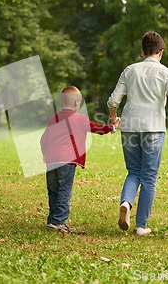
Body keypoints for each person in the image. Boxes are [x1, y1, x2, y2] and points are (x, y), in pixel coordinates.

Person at [107, 31, 168, 236]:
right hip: (153, 128)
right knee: (149, 177)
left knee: (133, 171)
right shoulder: (167, 72)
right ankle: (141, 225)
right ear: (161, 52)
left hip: (129, 126)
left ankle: (126, 202)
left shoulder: (130, 70)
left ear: (142, 51)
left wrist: (113, 117)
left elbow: (113, 100)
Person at [40, 86, 120, 233]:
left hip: (51, 161)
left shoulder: (54, 118)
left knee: (53, 190)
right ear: (77, 103)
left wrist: (46, 155)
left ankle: (52, 219)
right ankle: (59, 221)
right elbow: (97, 129)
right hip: (67, 161)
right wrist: (112, 127)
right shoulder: (80, 119)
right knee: (64, 191)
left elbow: (43, 139)